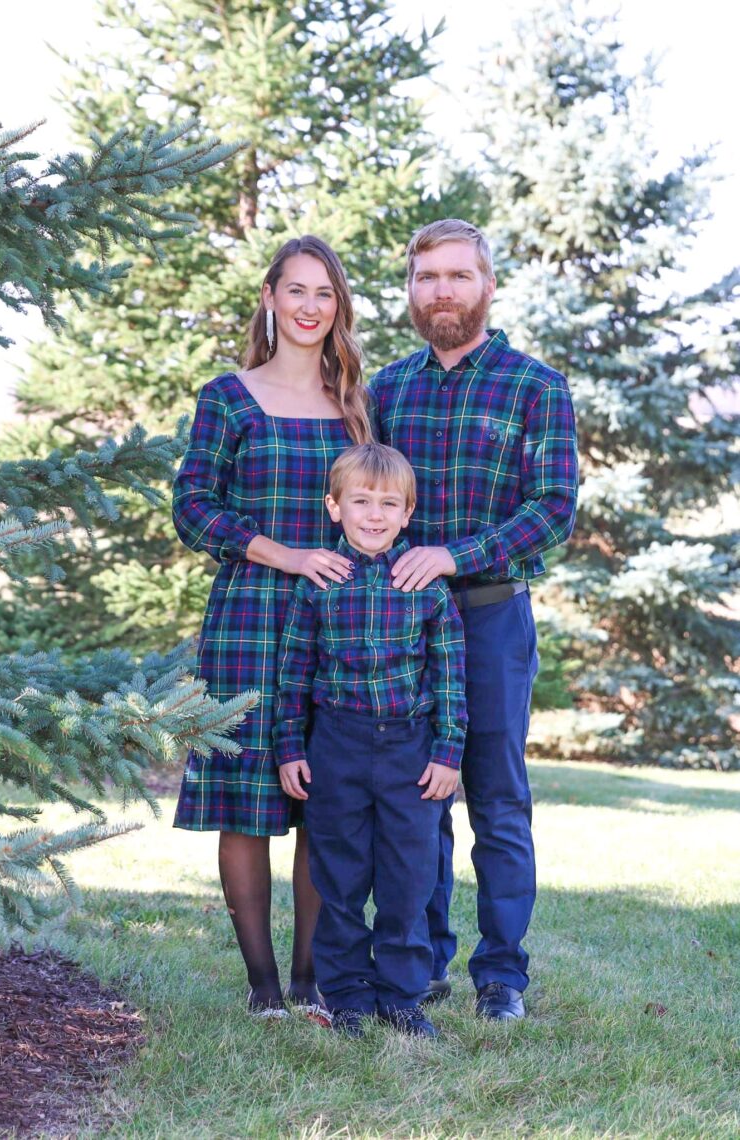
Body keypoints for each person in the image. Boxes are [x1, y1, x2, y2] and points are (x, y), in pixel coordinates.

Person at [370, 219, 578, 1020]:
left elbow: (554, 510)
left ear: (487, 284)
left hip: (491, 620)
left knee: (496, 799)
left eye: (458, 276)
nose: (443, 291)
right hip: (404, 627)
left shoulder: (535, 385)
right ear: (413, 291)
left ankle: (503, 978)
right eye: (428, 279)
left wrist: (458, 554)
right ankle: (423, 964)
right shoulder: (386, 390)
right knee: (419, 803)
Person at [172, 236, 373, 1019]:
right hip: (252, 615)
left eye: (324, 293)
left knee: (325, 802)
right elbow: (192, 506)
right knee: (248, 801)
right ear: (269, 297)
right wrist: (282, 553)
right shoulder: (227, 396)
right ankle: (262, 989)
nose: (309, 307)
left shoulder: (357, 403)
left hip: (339, 626)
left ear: (338, 307)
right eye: (295, 290)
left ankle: (309, 981)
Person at [273, 442, 467, 1038]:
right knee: (341, 877)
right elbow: (294, 670)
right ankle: (350, 996)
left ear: (408, 513)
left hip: (411, 750)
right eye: (360, 501)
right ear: (335, 507)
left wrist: (448, 752)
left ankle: (403, 996)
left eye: (389, 503)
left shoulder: (426, 586)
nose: (375, 515)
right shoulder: (319, 583)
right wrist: (291, 747)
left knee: (410, 877)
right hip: (338, 745)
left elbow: (450, 674)